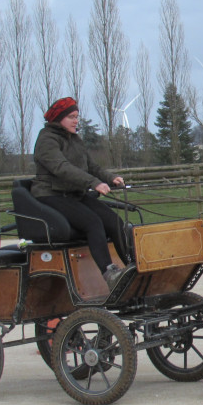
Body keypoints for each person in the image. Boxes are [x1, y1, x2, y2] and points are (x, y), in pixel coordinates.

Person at [32, 97, 134, 291]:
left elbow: (91, 166)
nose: (75, 121)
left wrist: (110, 178)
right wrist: (93, 183)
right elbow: (62, 168)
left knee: (114, 221)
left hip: (73, 193)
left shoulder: (75, 139)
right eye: (71, 117)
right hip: (51, 194)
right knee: (92, 223)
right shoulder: (47, 140)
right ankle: (109, 273)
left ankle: (132, 265)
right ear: (59, 118)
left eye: (77, 117)